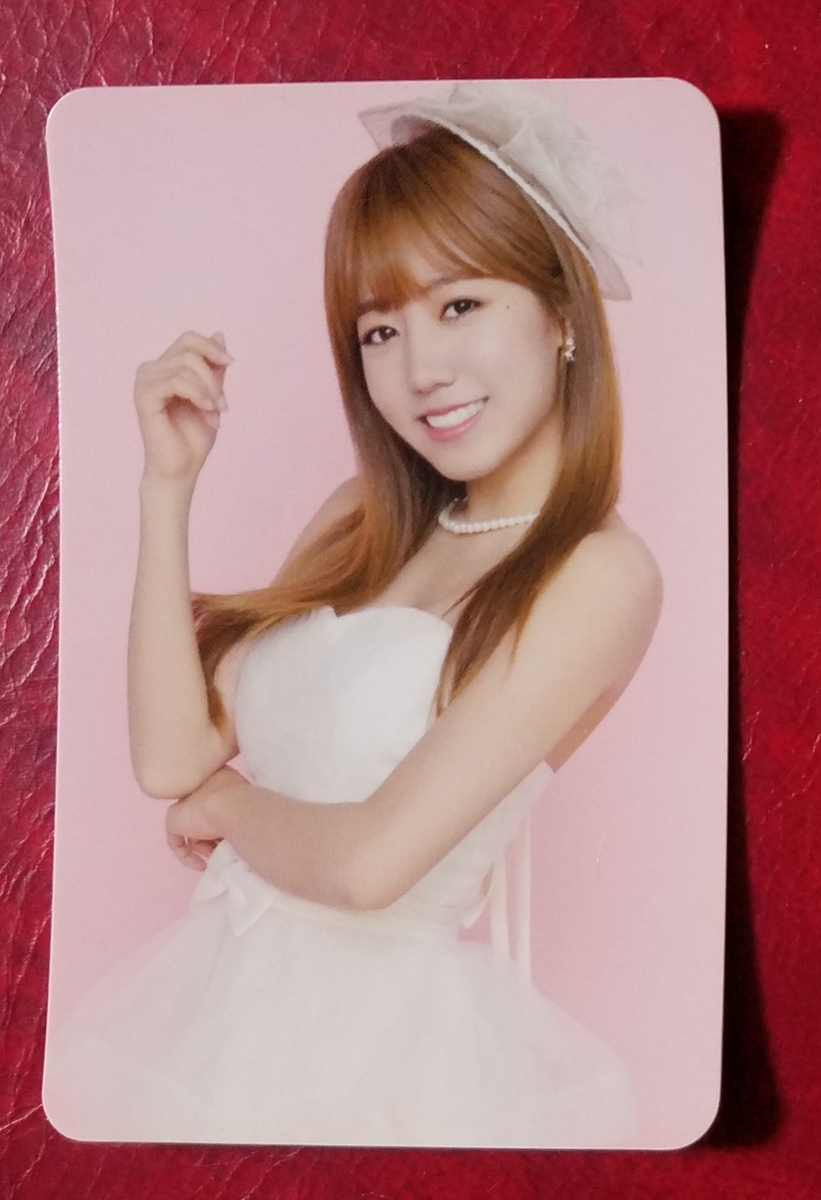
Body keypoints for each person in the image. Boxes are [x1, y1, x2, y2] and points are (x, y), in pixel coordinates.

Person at [44, 82, 662, 1148]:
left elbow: (370, 865)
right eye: (379, 329)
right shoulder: (362, 517)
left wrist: (226, 808)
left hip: (381, 1054)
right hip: (217, 1009)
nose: (420, 370)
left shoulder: (599, 574)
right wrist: (166, 487)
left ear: (561, 314)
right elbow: (171, 754)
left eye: (459, 306)